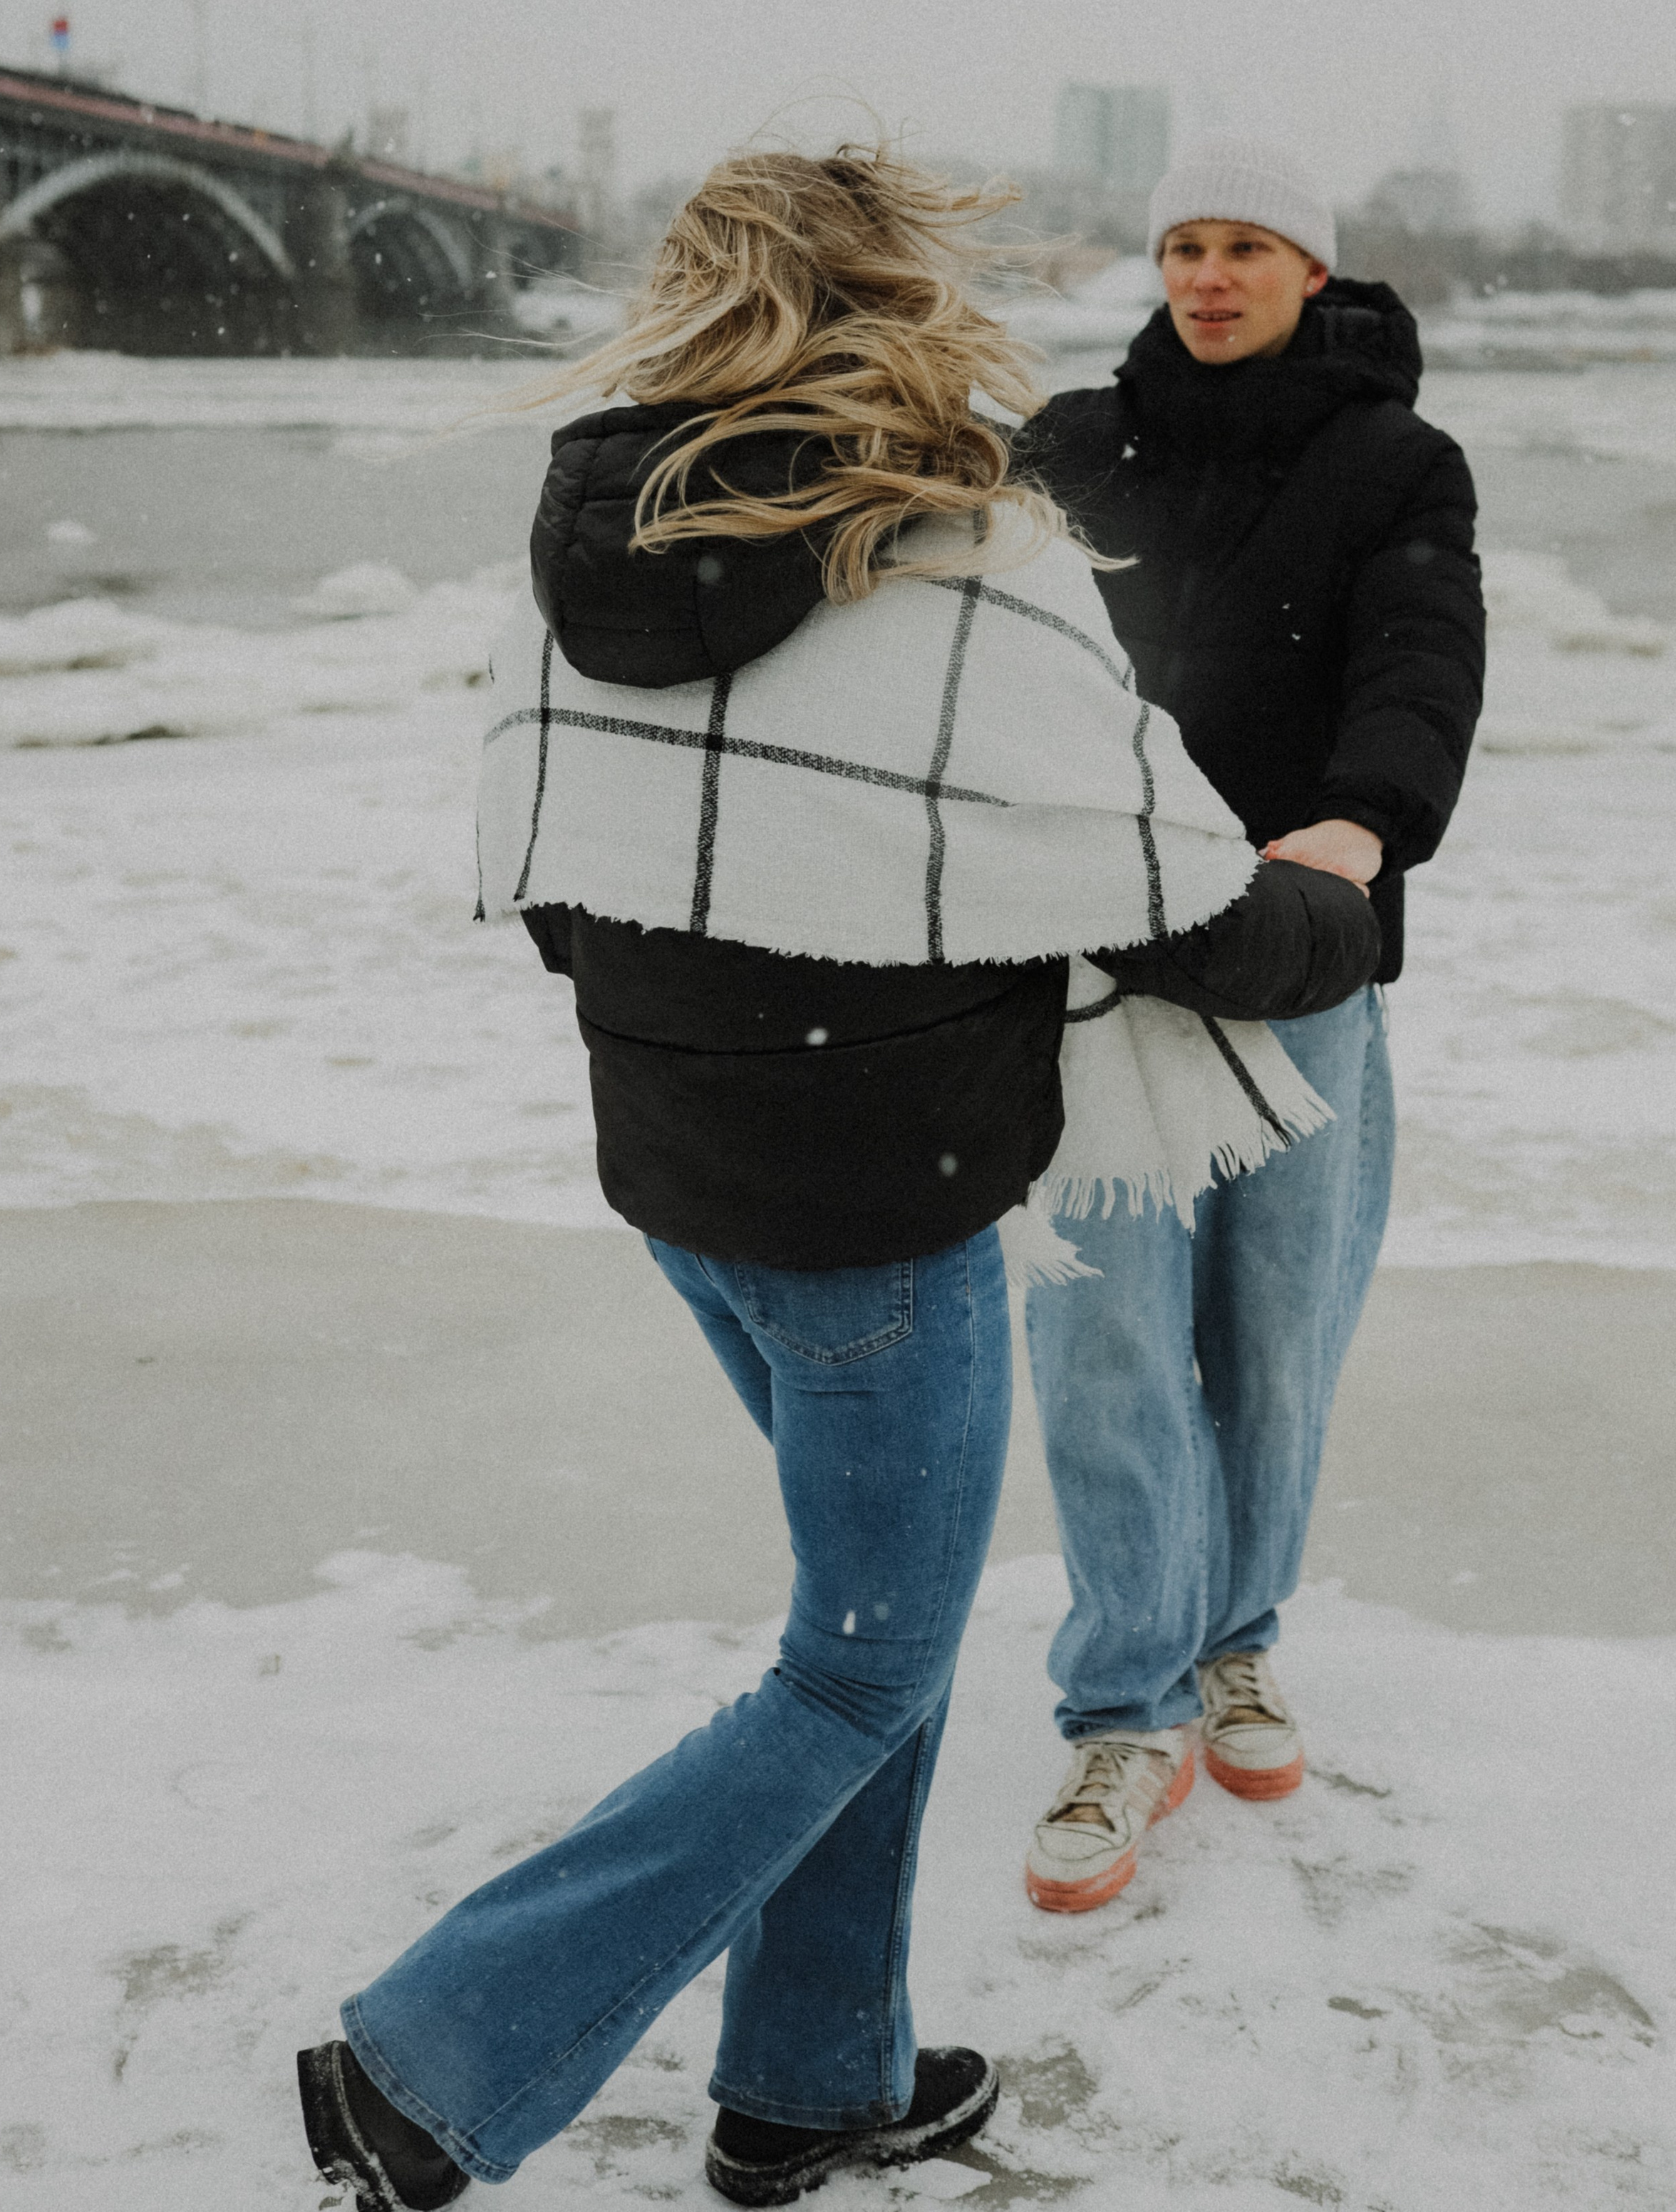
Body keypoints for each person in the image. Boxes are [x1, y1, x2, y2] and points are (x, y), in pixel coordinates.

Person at [296, 149, 1380, 2212]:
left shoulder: (579, 543)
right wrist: (1334, 899)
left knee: (857, 1632)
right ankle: (428, 2064)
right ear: (905, 300)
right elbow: (1177, 912)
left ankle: (811, 2083)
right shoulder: (964, 560)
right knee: (865, 1665)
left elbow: (546, 884)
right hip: (882, 1217)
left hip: (683, 1179)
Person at [1008, 134, 1485, 1916]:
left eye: (1246, 247)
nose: (1207, 276)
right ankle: (1121, 1701)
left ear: (1310, 270)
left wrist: (1362, 820)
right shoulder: (1060, 445)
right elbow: (967, 644)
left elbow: (1422, 657)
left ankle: (1237, 1636)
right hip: (1089, 954)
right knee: (1110, 1338)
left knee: (1275, 1326)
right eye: (1184, 246)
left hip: (1299, 952)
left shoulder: (1393, 457)